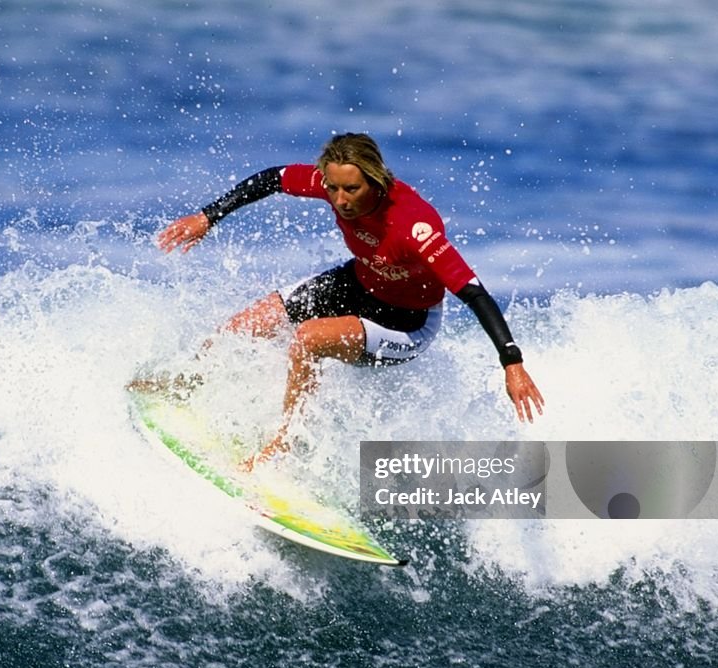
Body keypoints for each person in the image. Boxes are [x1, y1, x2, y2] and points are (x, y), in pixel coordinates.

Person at [155, 133, 544, 470]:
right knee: (244, 326)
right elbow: (273, 179)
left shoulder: (413, 224)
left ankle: (286, 447)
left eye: (351, 190)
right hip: (357, 282)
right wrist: (209, 216)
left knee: (308, 339)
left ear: (374, 181)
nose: (340, 200)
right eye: (332, 189)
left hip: (407, 322)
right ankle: (189, 383)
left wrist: (512, 363)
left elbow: (474, 292)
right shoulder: (333, 181)